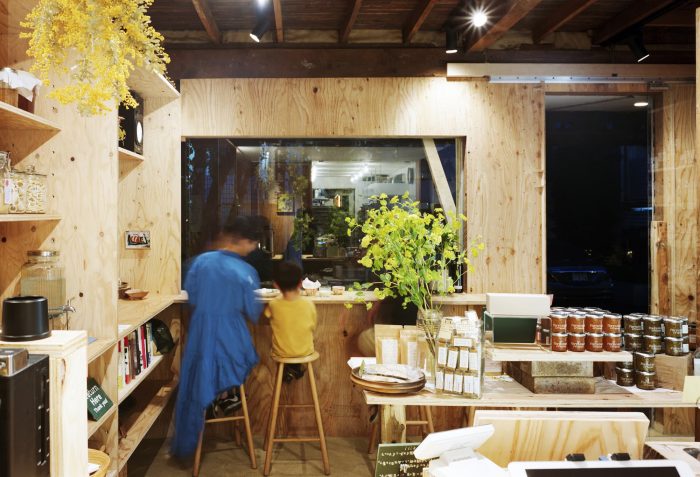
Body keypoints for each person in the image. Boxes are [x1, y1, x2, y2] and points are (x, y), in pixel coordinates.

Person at [171, 216, 263, 458]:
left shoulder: (200, 263)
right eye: (253, 243)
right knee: (244, 359)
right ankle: (226, 395)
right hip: (231, 338)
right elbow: (253, 312)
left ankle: (216, 395)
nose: (253, 249)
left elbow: (191, 296)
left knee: (202, 372)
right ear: (243, 241)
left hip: (200, 338)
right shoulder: (246, 271)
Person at [265, 261, 317, 382]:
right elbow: (313, 326)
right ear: (300, 283)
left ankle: (290, 369)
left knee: (280, 344)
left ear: (276, 285)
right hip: (305, 351)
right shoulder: (309, 304)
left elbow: (267, 318)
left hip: (281, 352)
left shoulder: (274, 304)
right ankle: (294, 368)